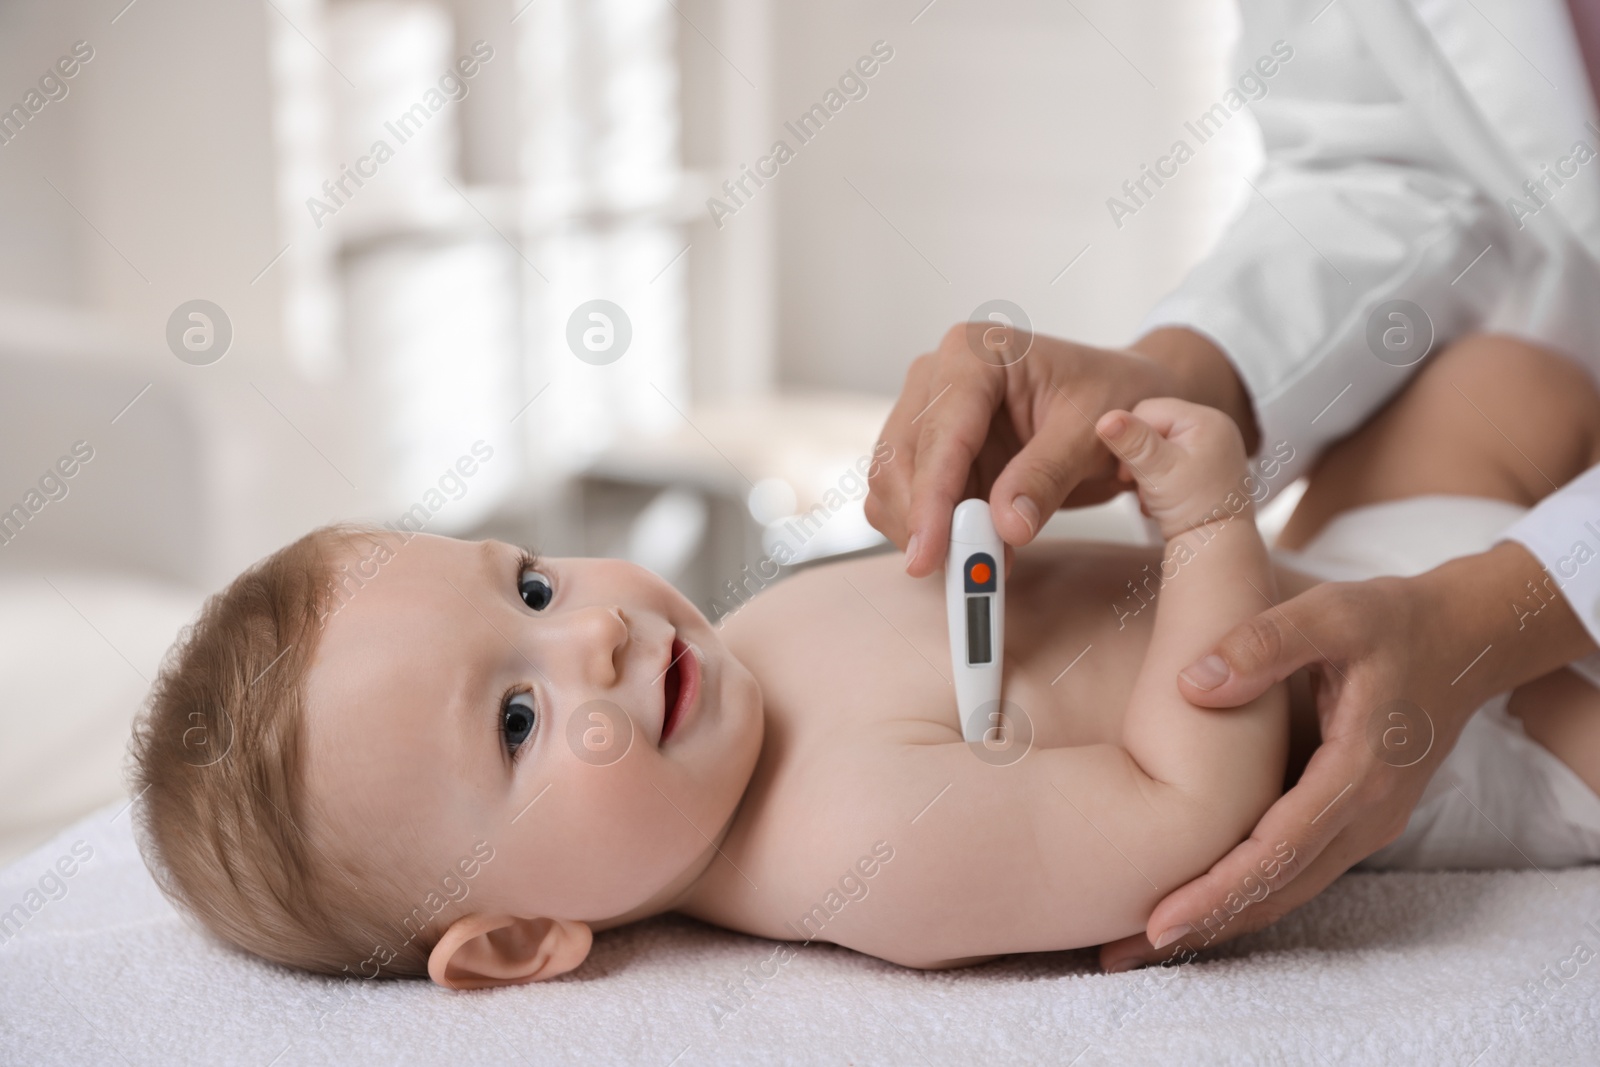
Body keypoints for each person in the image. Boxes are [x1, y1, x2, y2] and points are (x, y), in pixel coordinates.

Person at [126, 341, 1600, 986]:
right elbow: (1183, 807)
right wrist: (1212, 519)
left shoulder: (743, 653)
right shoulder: (851, 847)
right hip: (1436, 733)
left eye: (530, 581)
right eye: (517, 715)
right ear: (516, 940)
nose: (597, 630)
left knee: (1502, 376)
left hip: (1347, 578)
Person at [865, 0, 1600, 971]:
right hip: (1379, 604)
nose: (598, 627)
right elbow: (1391, 165)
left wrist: (1493, 615)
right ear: (580, 928)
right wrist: (1179, 376)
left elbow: (1171, 806)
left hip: (1422, 639)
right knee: (1505, 388)